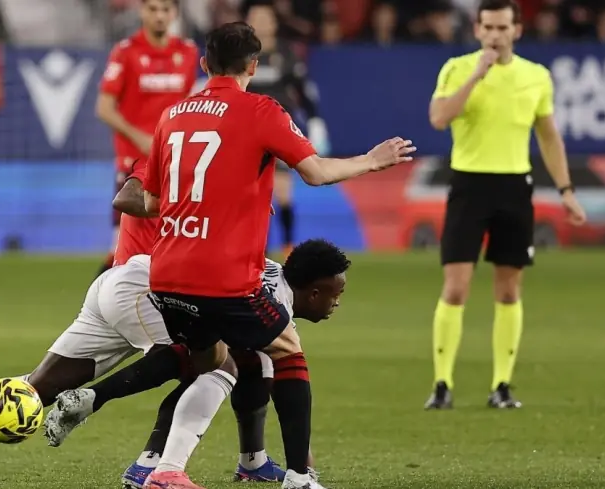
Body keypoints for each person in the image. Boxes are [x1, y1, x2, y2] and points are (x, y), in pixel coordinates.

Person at [138, 21, 415, 489]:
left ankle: (163, 468)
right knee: (287, 350)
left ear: (204, 64)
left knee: (213, 368)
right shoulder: (261, 109)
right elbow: (315, 172)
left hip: (165, 275)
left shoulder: (172, 115)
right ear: (254, 65)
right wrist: (373, 160)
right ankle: (300, 476)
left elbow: (149, 203)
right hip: (223, 277)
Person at [0, 254, 273, 487]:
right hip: (143, 288)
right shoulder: (176, 160)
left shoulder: (187, 156)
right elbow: (129, 196)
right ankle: (156, 469)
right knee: (212, 363)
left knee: (35, 391)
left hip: (123, 283)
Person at [45, 239, 351, 486]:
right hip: (144, 289)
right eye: (336, 294)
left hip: (135, 277)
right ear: (313, 293)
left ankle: (253, 462)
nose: (337, 302)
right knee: (216, 367)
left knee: (244, 360)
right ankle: (152, 466)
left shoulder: (269, 280)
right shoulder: (272, 306)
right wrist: (303, 468)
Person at [425, 0, 586, 410]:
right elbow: (439, 118)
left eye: (503, 27)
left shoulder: (536, 77)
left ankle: (502, 386)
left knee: (509, 290)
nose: (495, 35)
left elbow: (549, 137)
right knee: (457, 287)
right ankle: (442, 383)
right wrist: (476, 77)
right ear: (477, 30)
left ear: (517, 30)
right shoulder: (458, 68)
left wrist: (566, 189)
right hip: (469, 183)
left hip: (515, 185)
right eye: (488, 27)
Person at [96, 0, 199, 274]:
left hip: (173, 162)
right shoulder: (126, 52)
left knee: (169, 240)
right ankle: (100, 306)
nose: (159, 16)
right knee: (122, 244)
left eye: (165, 10)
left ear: (174, 13)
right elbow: (104, 108)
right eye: (153, 9)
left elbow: (188, 104)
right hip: (134, 163)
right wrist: (140, 137)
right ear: (142, 11)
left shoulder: (188, 52)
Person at [245, 2, 330, 255]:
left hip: (279, 133)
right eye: (256, 18)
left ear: (274, 23)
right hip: (246, 134)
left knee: (282, 193)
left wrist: (315, 122)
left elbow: (304, 92)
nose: (260, 23)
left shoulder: (287, 54)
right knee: (250, 194)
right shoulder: (239, 56)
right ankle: (257, 247)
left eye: (265, 18)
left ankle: (288, 245)